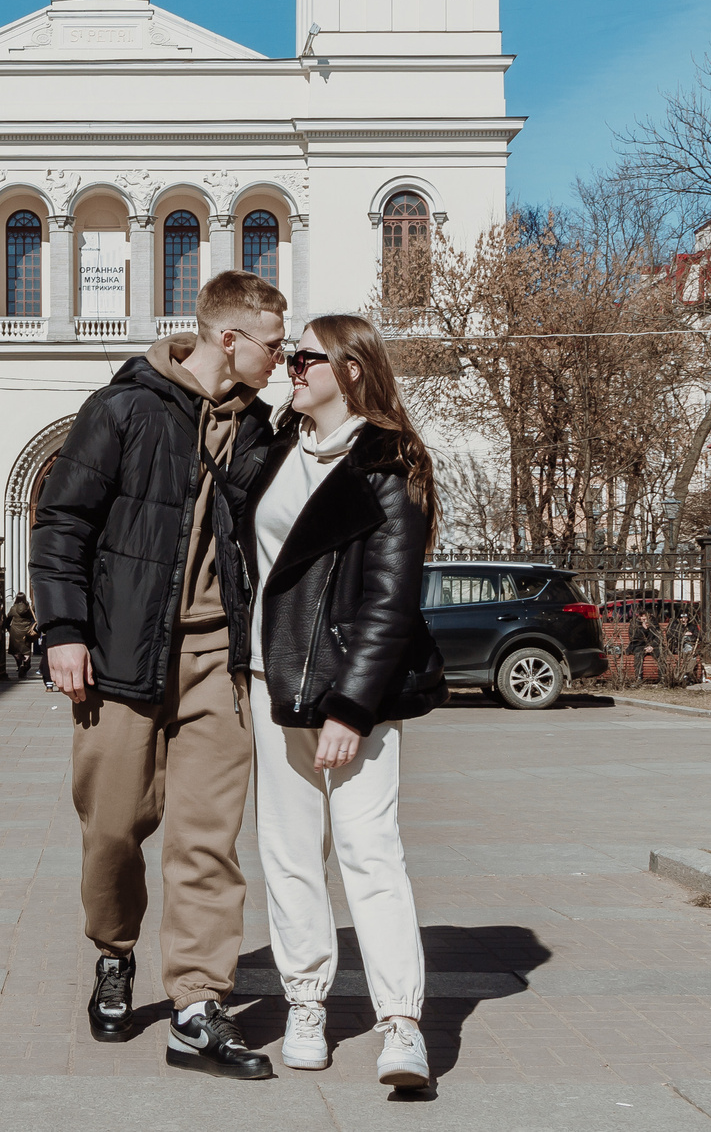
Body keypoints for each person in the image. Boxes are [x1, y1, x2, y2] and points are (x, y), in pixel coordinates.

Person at [31, 269, 288, 1082]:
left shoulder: (260, 431)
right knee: (112, 830)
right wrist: (63, 630)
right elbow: (62, 521)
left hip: (218, 660)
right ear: (228, 339)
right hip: (120, 657)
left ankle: (198, 1005)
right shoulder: (123, 409)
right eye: (273, 344)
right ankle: (114, 952)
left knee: (206, 838)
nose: (281, 359)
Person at [240, 314, 444, 1090]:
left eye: (305, 357)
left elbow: (391, 598)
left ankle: (401, 1022)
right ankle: (305, 1002)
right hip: (269, 679)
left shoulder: (390, 460)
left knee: (369, 849)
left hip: (348, 690)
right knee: (288, 851)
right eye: (290, 356)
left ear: (351, 368)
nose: (291, 368)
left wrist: (352, 706)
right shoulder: (276, 448)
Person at [6, 593, 37, 679]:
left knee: (16, 651)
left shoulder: (13, 608)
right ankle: (26, 665)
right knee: (26, 650)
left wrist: (8, 628)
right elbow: (34, 618)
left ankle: (19, 665)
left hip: (15, 632)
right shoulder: (29, 608)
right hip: (26, 632)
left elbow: (8, 619)